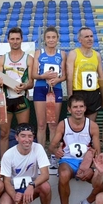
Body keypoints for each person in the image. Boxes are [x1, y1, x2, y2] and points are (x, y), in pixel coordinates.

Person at [48, 94, 101, 204]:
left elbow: (98, 153)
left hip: (86, 162)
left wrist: (92, 169)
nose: (78, 110)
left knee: (102, 179)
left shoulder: (92, 126)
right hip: (68, 161)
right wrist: (56, 152)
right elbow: (51, 146)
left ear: (85, 108)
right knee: (64, 175)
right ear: (69, 109)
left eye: (81, 107)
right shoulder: (63, 124)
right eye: (75, 107)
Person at [0, 123, 59, 204]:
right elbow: (6, 181)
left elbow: (45, 174)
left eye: (30, 136)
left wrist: (31, 185)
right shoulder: (8, 155)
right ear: (16, 137)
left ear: (33, 137)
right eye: (23, 136)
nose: (27, 139)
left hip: (32, 187)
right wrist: (14, 195)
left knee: (45, 186)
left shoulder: (38, 148)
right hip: (14, 188)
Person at [0, 27, 34, 158]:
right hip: (5, 100)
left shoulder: (29, 58)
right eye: (12, 39)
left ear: (22, 39)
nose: (15, 41)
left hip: (21, 99)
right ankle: (4, 163)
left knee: (24, 133)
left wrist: (25, 86)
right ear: (8, 40)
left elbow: (31, 83)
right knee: (4, 133)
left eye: (17, 39)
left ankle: (25, 161)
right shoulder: (2, 59)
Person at [32, 26, 67, 170]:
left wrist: (57, 80)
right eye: (48, 37)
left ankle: (53, 156)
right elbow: (34, 74)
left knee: (53, 124)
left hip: (55, 89)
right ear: (45, 39)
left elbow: (64, 75)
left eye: (53, 37)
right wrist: (43, 76)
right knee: (41, 125)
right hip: (41, 88)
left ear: (57, 39)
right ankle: (41, 157)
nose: (51, 40)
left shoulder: (62, 54)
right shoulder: (38, 53)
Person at [66, 27, 103, 122]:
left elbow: (101, 76)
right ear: (80, 40)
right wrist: (70, 96)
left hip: (94, 93)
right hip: (79, 92)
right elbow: (69, 77)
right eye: (86, 37)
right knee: (79, 124)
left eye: (91, 36)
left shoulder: (97, 55)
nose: (90, 39)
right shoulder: (73, 54)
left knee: (90, 124)